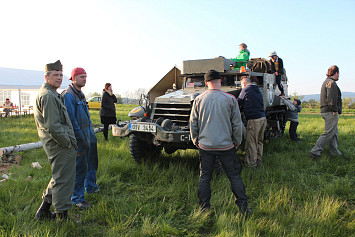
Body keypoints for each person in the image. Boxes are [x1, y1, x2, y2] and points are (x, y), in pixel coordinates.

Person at [190, 70, 250, 216]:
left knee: (205, 177)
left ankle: (204, 208)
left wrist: (196, 140)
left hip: (205, 146)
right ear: (220, 80)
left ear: (206, 83)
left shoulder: (198, 99)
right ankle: (243, 209)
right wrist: (237, 142)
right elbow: (237, 124)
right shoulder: (230, 99)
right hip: (227, 146)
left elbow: (193, 123)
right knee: (234, 176)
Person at [33, 60, 77, 221]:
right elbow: (53, 126)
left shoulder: (51, 93)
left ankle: (43, 212)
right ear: (47, 77)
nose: (59, 78)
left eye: (60, 75)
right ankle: (62, 217)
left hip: (59, 143)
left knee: (59, 177)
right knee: (63, 181)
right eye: (55, 75)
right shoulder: (48, 96)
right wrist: (67, 143)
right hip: (59, 144)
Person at [63, 67, 99, 209]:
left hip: (88, 133)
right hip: (79, 135)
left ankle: (90, 186)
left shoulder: (81, 94)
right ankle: (77, 198)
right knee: (80, 167)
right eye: (82, 77)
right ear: (74, 78)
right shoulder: (69, 95)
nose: (85, 79)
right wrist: (79, 139)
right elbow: (71, 121)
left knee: (92, 162)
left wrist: (91, 134)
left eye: (85, 77)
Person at [310, 65, 343, 159]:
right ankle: (315, 151)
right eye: (338, 74)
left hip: (328, 111)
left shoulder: (327, 81)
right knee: (328, 133)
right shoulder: (331, 82)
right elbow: (331, 99)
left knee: (334, 132)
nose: (339, 76)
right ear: (336, 73)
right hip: (330, 112)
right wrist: (334, 110)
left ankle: (335, 152)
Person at [237, 76, 266, 168]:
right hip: (262, 118)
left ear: (244, 84)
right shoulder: (257, 89)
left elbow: (238, 102)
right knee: (259, 141)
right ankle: (258, 161)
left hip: (254, 120)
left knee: (251, 142)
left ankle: (250, 164)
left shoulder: (245, 89)